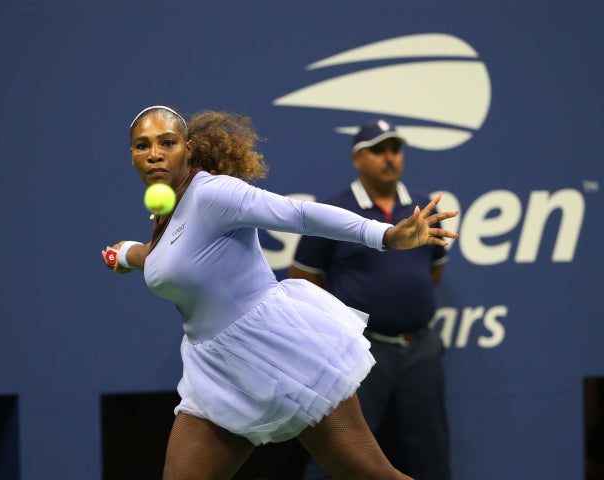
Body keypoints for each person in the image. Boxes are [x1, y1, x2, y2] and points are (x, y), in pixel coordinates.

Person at [101, 105, 459, 480]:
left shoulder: (213, 194)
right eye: (142, 146)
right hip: (215, 371)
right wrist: (125, 254)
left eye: (166, 142)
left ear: (188, 149)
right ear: (132, 156)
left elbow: (299, 215)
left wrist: (383, 234)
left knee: (371, 475)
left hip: (278, 355)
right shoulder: (166, 213)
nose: (154, 153)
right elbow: (161, 257)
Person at [290, 119, 452, 480]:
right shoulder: (334, 212)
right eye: (378, 150)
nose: (390, 157)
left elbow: (433, 270)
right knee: (342, 454)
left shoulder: (423, 208)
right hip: (359, 351)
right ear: (358, 159)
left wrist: (402, 302)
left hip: (420, 348)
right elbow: (302, 279)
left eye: (395, 149)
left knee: (431, 452)